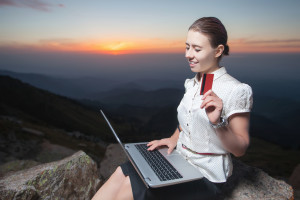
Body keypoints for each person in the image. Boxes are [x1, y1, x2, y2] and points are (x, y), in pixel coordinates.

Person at [92, 17, 253, 200]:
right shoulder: (193, 83)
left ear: (218, 50)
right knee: (122, 172)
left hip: (206, 176)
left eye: (197, 49)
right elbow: (187, 121)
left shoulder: (236, 90)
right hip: (179, 161)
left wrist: (218, 123)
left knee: (132, 185)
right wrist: (172, 138)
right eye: (187, 47)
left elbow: (240, 148)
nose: (188, 54)